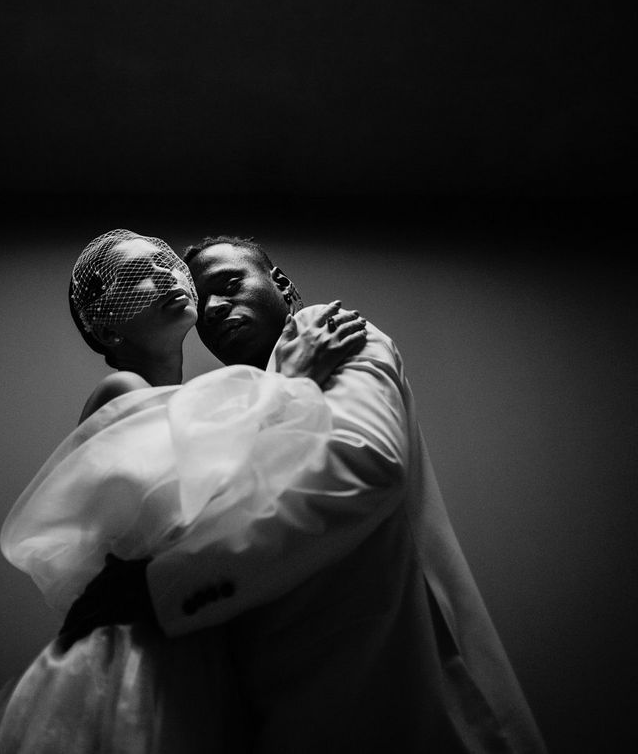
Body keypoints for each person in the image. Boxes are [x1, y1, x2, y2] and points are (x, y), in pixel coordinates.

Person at [73, 234, 546, 753]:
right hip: (280, 714)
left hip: (405, 701)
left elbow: (363, 467)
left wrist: (161, 588)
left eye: (230, 284)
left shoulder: (330, 332)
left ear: (280, 284)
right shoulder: (223, 410)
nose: (212, 307)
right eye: (201, 300)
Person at [0, 229, 366, 754]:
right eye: (136, 275)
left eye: (164, 263)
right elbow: (197, 510)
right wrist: (293, 381)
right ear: (106, 329)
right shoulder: (122, 391)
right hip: (130, 653)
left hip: (185, 640)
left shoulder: (194, 407)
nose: (165, 275)